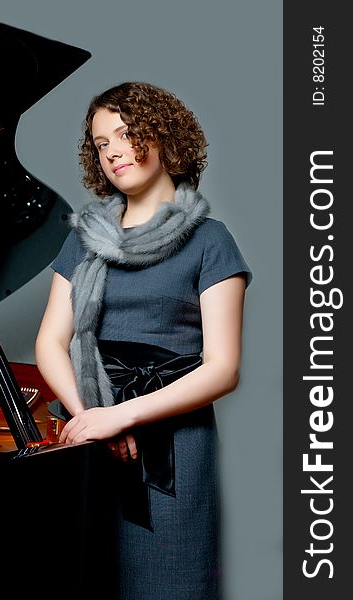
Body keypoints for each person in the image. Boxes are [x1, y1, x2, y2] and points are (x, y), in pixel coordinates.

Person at [35, 81, 252, 599]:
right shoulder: (82, 236)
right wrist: (94, 416)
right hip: (88, 432)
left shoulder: (210, 240)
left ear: (163, 135)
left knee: (167, 579)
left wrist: (125, 415)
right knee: (81, 576)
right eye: (100, 142)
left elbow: (223, 368)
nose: (112, 152)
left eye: (125, 134)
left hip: (172, 444)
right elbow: (49, 342)